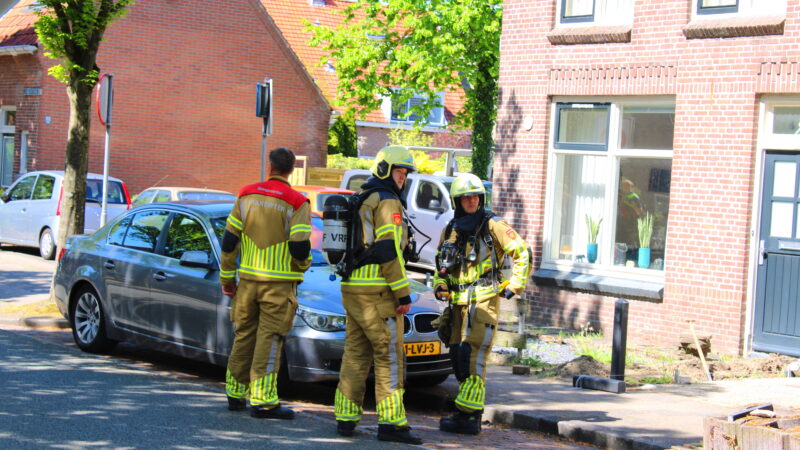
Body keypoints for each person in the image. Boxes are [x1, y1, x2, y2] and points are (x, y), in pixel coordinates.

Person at [333, 146, 422, 445]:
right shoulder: (386, 201)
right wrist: (402, 293)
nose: (403, 177)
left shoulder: (364, 195)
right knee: (389, 356)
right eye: (399, 171)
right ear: (385, 170)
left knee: (356, 354)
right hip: (377, 291)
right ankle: (392, 423)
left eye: (405, 173)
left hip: (354, 288)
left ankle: (345, 418)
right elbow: (388, 249)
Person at [432, 173, 531, 435]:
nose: (473, 200)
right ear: (458, 200)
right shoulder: (450, 229)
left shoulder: (493, 225)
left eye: (476, 196)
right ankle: (464, 413)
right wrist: (439, 285)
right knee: (456, 356)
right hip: (456, 304)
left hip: (483, 300)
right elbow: (440, 264)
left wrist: (514, 286)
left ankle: (470, 416)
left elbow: (522, 251)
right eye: (467, 197)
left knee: (472, 356)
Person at [220, 147, 312, 420]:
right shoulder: (297, 202)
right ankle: (264, 401)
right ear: (291, 170)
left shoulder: (246, 195)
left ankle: (235, 394)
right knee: (269, 340)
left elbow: (228, 243)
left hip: (247, 281)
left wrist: (227, 278)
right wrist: (303, 267)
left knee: (243, 336)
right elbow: (299, 247)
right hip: (279, 285)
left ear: (270, 167)